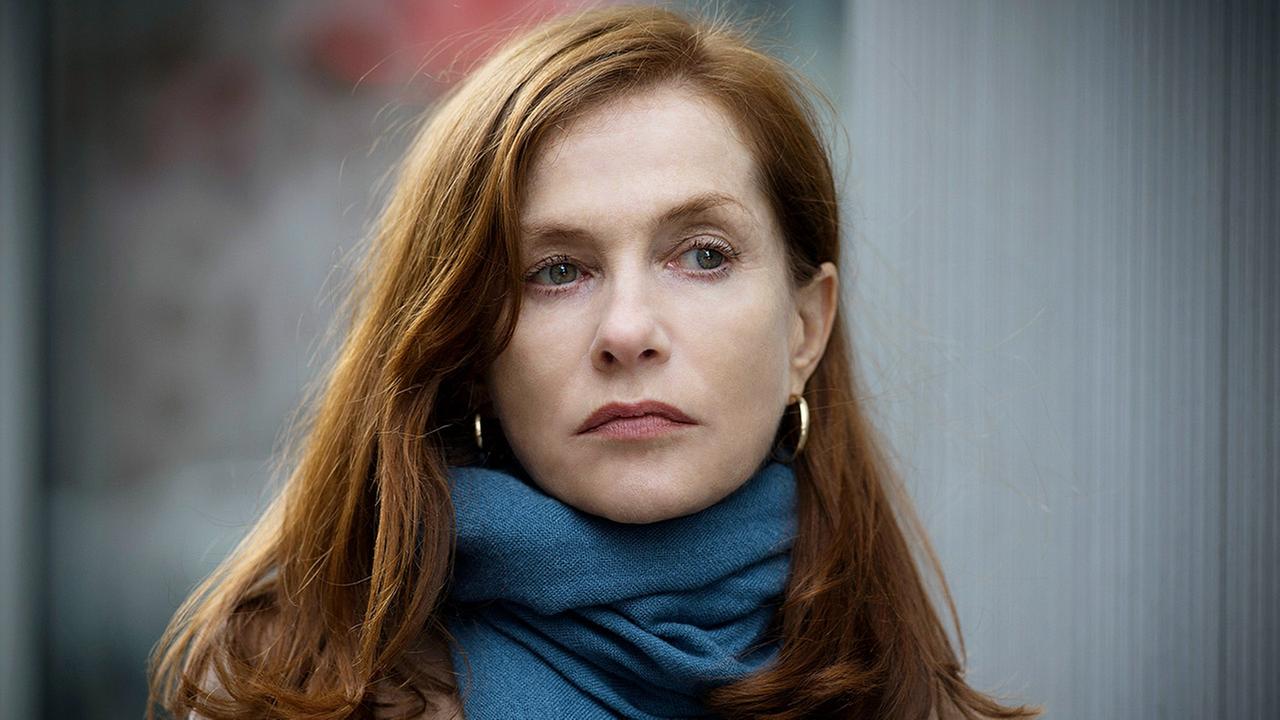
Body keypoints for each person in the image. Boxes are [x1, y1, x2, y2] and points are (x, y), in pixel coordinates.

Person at [148, 5, 1044, 719]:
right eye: (557, 271)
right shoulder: (294, 695)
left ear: (805, 331)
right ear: (469, 348)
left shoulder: (914, 704)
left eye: (703, 255)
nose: (627, 330)